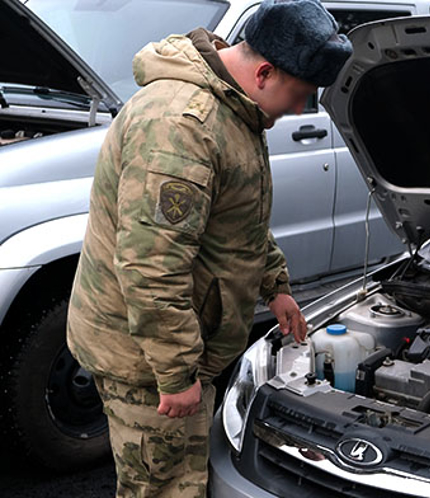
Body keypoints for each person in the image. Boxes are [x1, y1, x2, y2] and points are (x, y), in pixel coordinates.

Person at [66, 0, 352, 495]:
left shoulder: (233, 108)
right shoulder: (182, 127)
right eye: (300, 95)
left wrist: (275, 285)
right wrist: (175, 376)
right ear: (264, 71)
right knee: (165, 486)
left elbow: (234, 222)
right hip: (146, 364)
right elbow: (151, 267)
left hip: (174, 346)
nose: (300, 111)